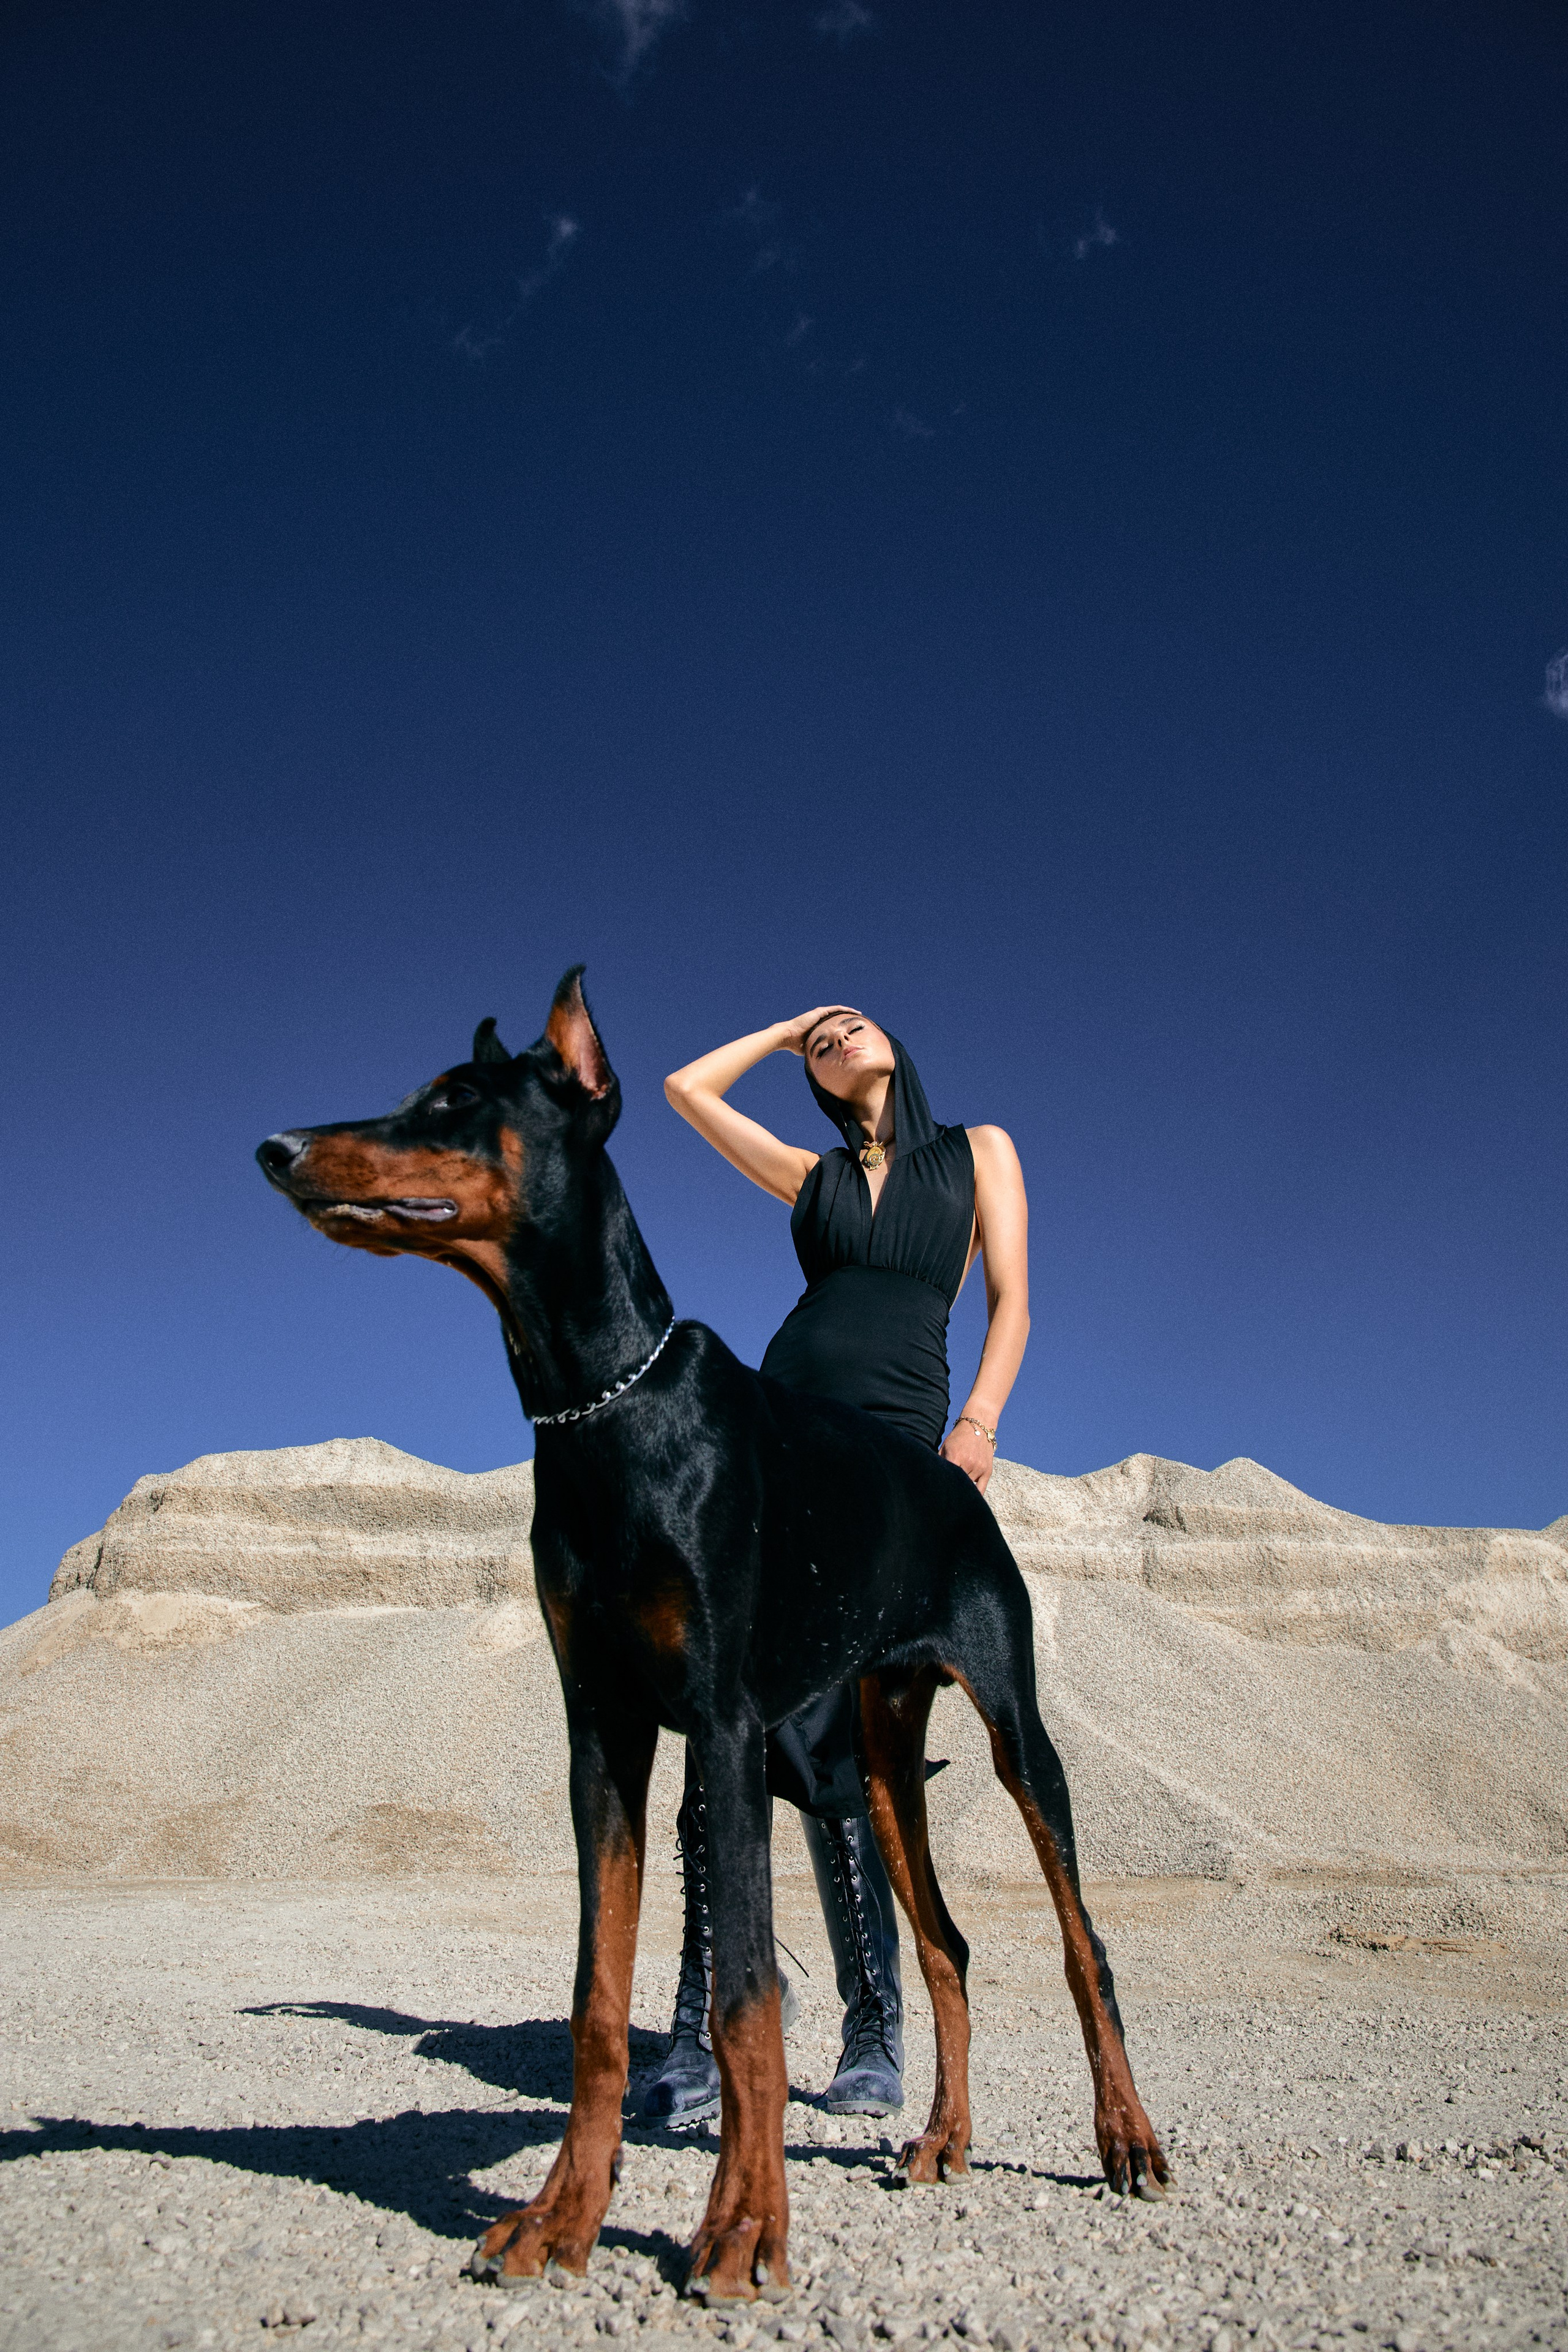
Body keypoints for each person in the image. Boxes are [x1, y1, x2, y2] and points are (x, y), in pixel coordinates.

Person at [643, 1006, 1030, 2125]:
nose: (836, 1040)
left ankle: (876, 2029)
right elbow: (681, 1089)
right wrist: (779, 1033)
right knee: (735, 1710)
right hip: (779, 1428)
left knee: (855, 1731)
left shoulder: (978, 1151)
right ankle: (703, 2028)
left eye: (851, 1028)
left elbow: (1010, 1302)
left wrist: (982, 1422)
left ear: (898, 1048)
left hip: (901, 1437)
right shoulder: (809, 1176)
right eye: (822, 1045)